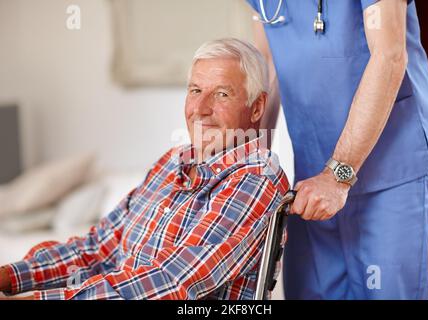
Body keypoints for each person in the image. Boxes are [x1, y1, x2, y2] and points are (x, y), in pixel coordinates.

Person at [0, 38, 289, 300]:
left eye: (222, 94)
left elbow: (172, 281)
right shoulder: (171, 163)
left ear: (256, 107)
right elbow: (96, 248)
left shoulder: (254, 179)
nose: (200, 108)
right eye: (195, 90)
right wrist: (10, 277)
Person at [247, 0, 428, 299]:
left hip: (389, 173)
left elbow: (389, 54)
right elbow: (267, 64)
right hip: (309, 181)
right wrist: (249, 172)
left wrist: (338, 174)